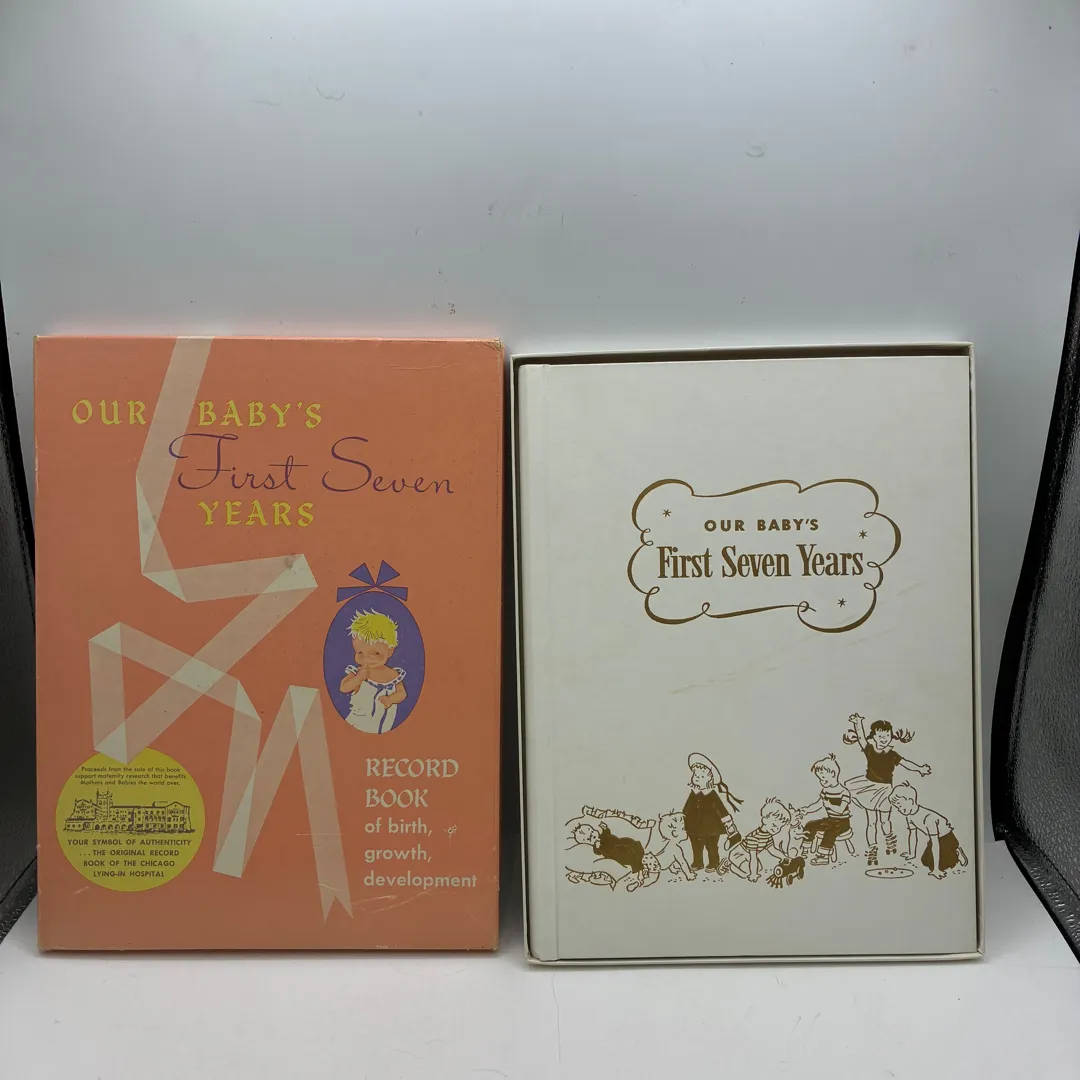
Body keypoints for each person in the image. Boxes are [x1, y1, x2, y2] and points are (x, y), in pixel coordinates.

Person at [843, 714, 930, 866]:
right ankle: (872, 848)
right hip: (869, 789)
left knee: (884, 820)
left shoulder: (892, 754)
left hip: (885, 791)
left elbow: (906, 763)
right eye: (881, 736)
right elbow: (861, 738)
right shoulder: (869, 750)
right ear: (874, 737)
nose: (884, 739)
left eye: (887, 736)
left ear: (891, 736)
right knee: (871, 822)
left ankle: (889, 838)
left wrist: (920, 769)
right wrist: (858, 722)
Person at [340, 610, 407, 734]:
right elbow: (344, 688)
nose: (367, 658)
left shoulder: (393, 675)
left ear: (390, 651)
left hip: (385, 725)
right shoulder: (358, 672)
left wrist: (390, 699)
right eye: (360, 652)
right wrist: (358, 679)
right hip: (358, 723)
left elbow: (402, 693)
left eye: (376, 653)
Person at [889, 783, 969, 879]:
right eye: (897, 807)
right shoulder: (909, 816)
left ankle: (956, 852)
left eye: (900, 806)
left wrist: (936, 869)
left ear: (910, 801)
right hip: (935, 839)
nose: (899, 810)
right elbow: (913, 835)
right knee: (925, 861)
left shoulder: (928, 818)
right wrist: (912, 854)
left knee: (939, 866)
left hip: (947, 838)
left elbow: (935, 843)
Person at [682, 752, 743, 872]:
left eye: (701, 776)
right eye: (695, 775)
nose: (697, 778)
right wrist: (682, 818)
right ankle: (698, 862)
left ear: (710, 778)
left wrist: (728, 823)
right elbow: (687, 808)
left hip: (711, 827)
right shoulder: (693, 793)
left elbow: (721, 810)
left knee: (711, 846)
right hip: (694, 826)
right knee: (696, 846)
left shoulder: (712, 794)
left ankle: (714, 863)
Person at [797, 754, 852, 865]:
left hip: (842, 822)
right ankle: (805, 848)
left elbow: (841, 810)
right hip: (830, 820)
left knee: (829, 833)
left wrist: (829, 805)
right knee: (810, 825)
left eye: (823, 778)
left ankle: (823, 856)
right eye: (820, 778)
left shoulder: (844, 792)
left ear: (833, 774)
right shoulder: (825, 791)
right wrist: (807, 809)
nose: (821, 781)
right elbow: (819, 804)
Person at [722, 798, 791, 883]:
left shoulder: (768, 835)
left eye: (779, 827)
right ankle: (729, 865)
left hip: (747, 854)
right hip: (738, 854)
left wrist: (783, 857)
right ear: (764, 820)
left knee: (759, 868)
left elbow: (772, 849)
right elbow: (753, 857)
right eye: (774, 825)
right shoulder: (754, 838)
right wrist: (753, 874)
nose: (776, 829)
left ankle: (735, 866)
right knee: (747, 873)